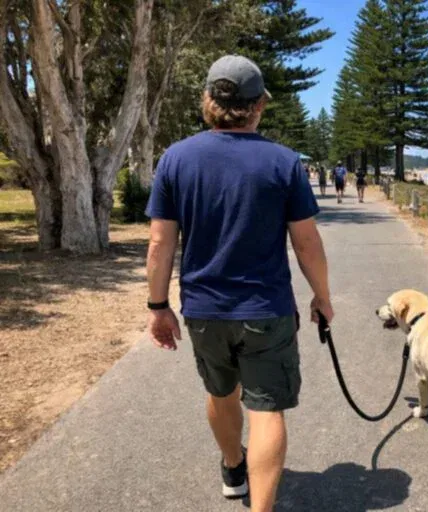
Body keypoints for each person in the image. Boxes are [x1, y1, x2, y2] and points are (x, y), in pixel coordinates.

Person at [144, 55, 334, 512]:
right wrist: (322, 298)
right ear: (259, 106)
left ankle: (233, 468)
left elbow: (158, 242)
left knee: (220, 393)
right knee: (266, 411)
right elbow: (306, 243)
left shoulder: (176, 159)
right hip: (266, 309)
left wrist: (157, 306)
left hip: (204, 310)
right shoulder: (284, 163)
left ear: (209, 101)